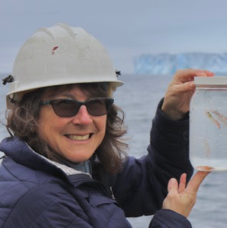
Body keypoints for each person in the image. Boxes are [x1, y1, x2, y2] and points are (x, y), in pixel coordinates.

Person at [0, 23, 214, 228]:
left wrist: (173, 115)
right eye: (64, 105)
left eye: (95, 104)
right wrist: (173, 219)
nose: (84, 119)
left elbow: (155, 183)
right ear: (29, 114)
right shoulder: (42, 203)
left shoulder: (77, 171)